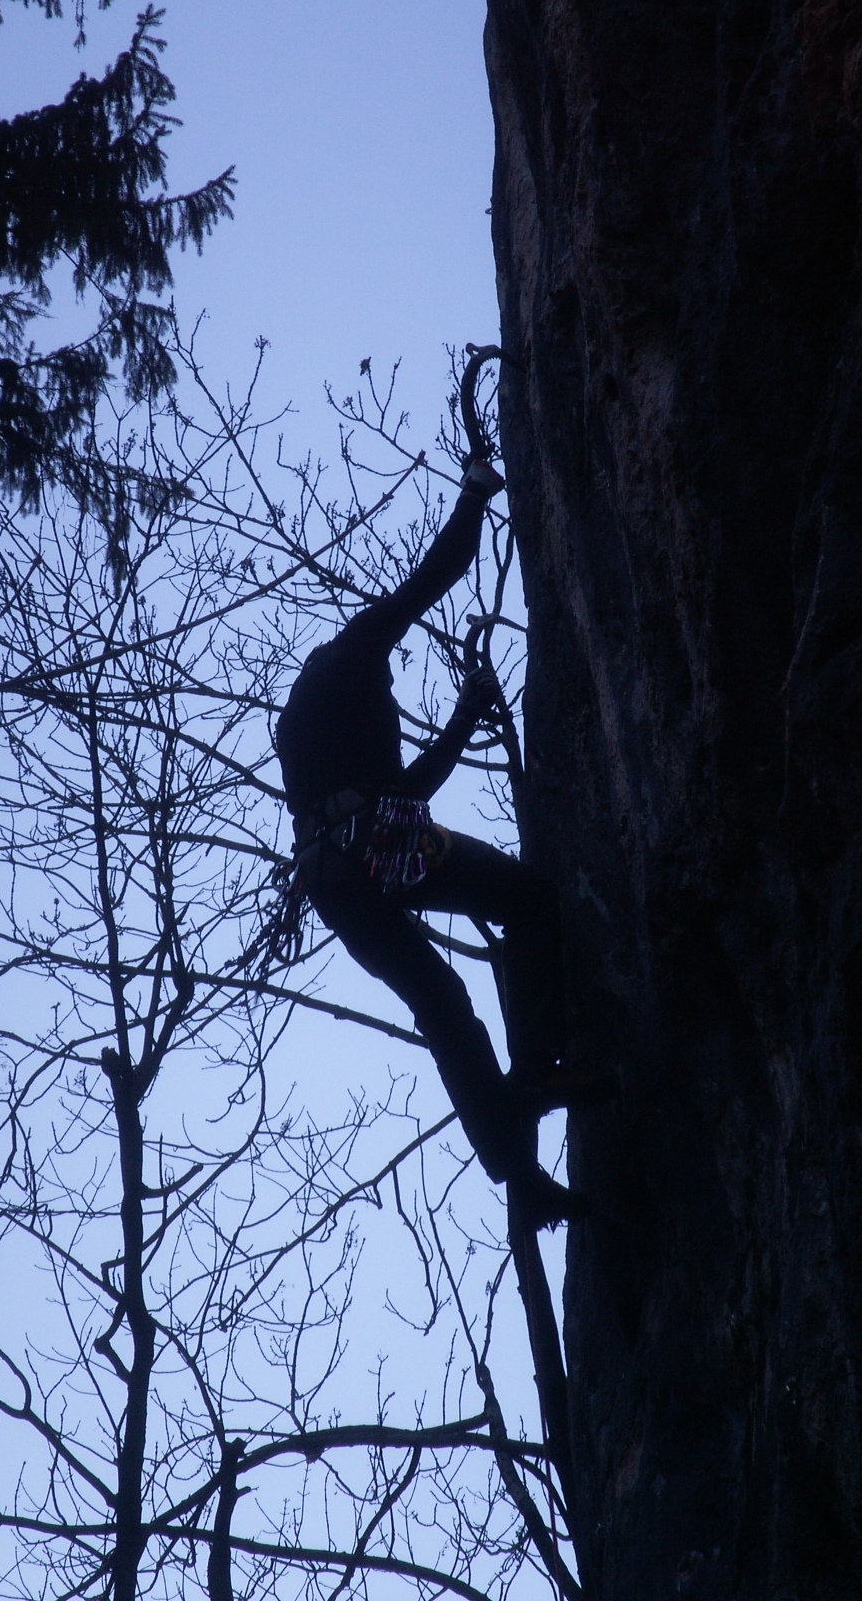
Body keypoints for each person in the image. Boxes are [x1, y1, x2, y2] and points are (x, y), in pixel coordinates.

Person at [275, 460, 578, 1228]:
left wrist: (464, 718)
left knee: (442, 1004)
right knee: (533, 903)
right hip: (374, 844)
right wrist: (476, 491)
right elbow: (438, 571)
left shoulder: (308, 722)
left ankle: (518, 1173)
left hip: (331, 881)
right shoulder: (358, 652)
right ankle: (538, 1072)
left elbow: (400, 799)